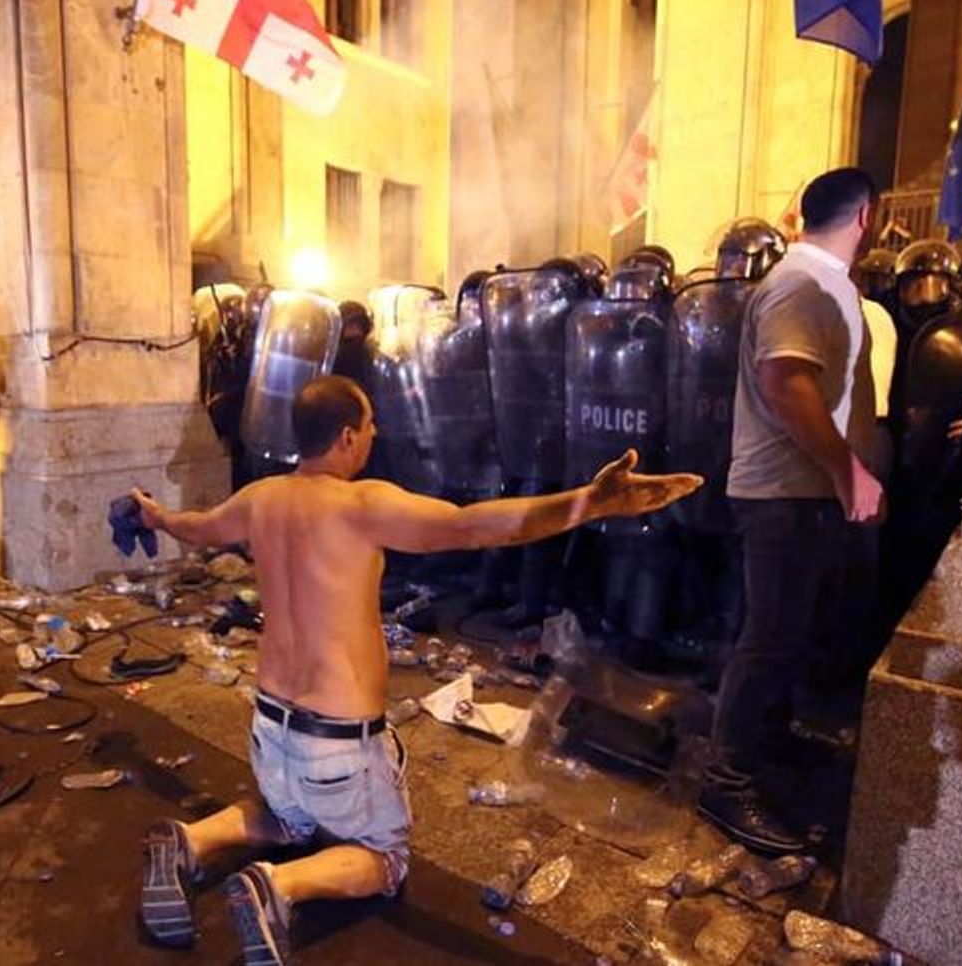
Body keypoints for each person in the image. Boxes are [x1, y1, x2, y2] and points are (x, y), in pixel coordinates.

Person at [132, 375, 701, 964]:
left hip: (269, 731)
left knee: (291, 819)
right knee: (386, 860)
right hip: (335, 749)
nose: (376, 436)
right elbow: (470, 525)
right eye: (372, 426)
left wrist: (155, 517)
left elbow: (194, 527)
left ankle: (191, 841)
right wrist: (593, 501)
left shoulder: (259, 499)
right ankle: (275, 889)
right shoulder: (361, 504)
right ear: (348, 436)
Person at [701, 167, 883, 854]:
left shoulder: (820, 283)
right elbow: (786, 381)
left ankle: (767, 742)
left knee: (786, 634)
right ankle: (725, 783)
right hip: (784, 495)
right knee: (769, 637)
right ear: (866, 215)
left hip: (803, 494)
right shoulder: (800, 285)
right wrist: (848, 470)